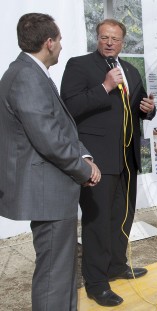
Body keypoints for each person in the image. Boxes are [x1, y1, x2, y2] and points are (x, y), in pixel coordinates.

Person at [0, 13, 100, 311]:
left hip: (49, 189)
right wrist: (83, 169)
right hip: (48, 191)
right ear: (48, 43)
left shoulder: (27, 73)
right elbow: (49, 139)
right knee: (53, 275)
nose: (60, 46)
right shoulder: (27, 77)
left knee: (59, 269)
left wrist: (82, 153)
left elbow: (56, 127)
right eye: (58, 40)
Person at [60, 19, 156, 306]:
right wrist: (104, 86)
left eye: (115, 38)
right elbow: (69, 107)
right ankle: (96, 283)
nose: (109, 42)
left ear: (123, 42)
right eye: (104, 37)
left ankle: (116, 266)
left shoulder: (130, 70)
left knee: (122, 217)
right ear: (98, 39)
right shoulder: (79, 65)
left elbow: (138, 107)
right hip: (98, 160)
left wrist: (149, 111)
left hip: (127, 159)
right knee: (97, 223)